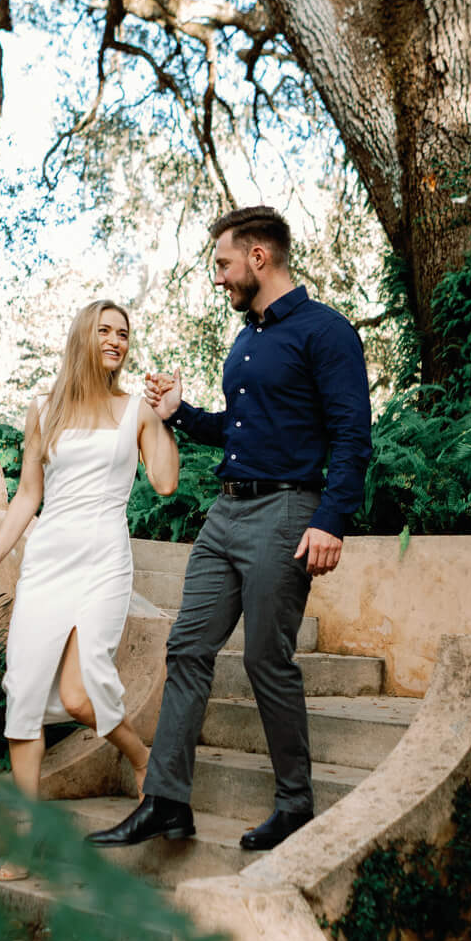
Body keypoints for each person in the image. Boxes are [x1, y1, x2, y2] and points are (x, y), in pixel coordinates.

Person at [90, 207, 372, 854]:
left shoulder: (325, 332)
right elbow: (240, 428)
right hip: (226, 512)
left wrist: (331, 518)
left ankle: (295, 805)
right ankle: (166, 802)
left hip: (287, 512)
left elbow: (353, 436)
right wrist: (179, 413)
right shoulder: (245, 340)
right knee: (187, 647)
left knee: (264, 657)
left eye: (222, 264)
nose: (217, 278)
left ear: (258, 257)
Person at [0, 299, 180, 807]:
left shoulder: (137, 410)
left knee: (79, 693)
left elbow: (166, 483)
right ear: (83, 337)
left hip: (103, 562)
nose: (115, 340)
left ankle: (140, 757)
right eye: (105, 331)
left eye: (124, 334)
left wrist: (166, 417)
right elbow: (28, 494)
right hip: (46, 562)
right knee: (22, 693)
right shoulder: (44, 409)